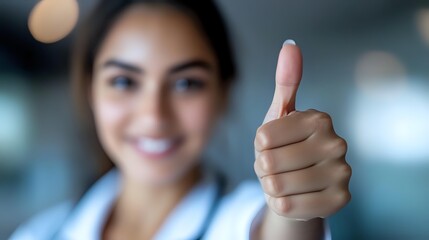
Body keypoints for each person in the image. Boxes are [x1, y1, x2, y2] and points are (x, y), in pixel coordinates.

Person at [10, 0, 351, 239]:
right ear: (90, 91)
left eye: (186, 83)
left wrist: (293, 211)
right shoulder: (38, 234)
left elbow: (278, 233)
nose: (154, 116)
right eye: (124, 82)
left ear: (223, 94)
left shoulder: (242, 221)